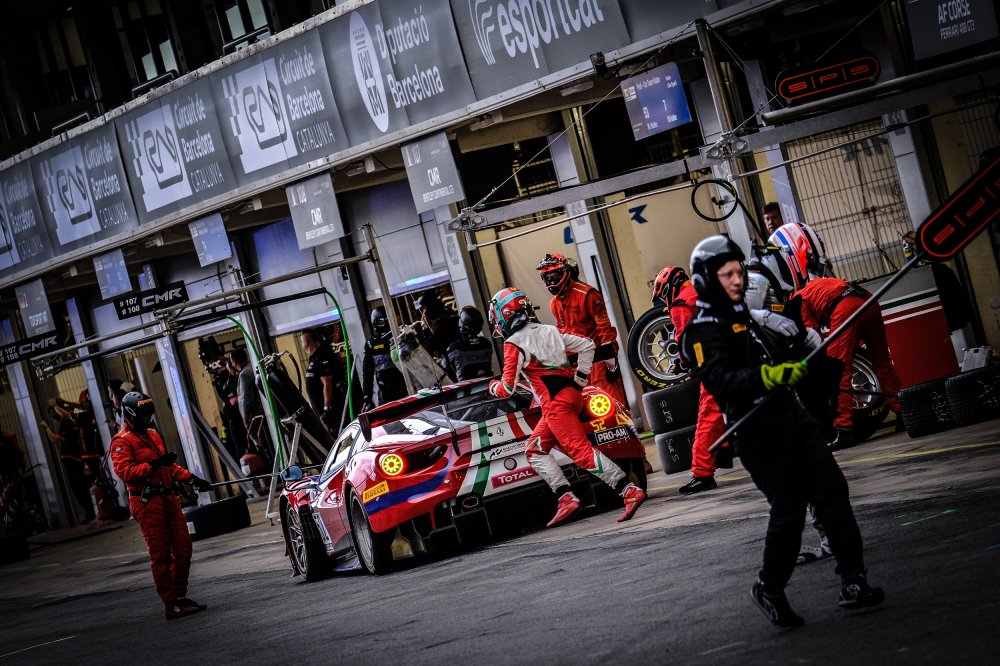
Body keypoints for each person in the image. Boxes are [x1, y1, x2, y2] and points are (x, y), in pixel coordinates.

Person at [681, 235, 884, 629]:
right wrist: (769, 376)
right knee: (789, 510)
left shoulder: (749, 318)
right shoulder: (700, 332)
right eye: (727, 274)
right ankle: (770, 588)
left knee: (832, 491)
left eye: (739, 272)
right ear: (706, 279)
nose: (737, 280)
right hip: (755, 430)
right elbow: (721, 381)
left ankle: (854, 581)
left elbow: (785, 355)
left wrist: (806, 353)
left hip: (792, 418)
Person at [486, 287, 646, 526]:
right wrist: (581, 378)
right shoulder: (550, 330)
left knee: (580, 452)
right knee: (534, 449)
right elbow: (587, 345)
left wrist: (492, 386)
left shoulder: (513, 343)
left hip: (555, 405)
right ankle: (565, 497)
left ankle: (628, 490)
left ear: (505, 316)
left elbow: (507, 388)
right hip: (573, 394)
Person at [110, 392, 210, 620]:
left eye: (149, 417)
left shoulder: (153, 435)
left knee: (183, 548)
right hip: (146, 502)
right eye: (143, 417)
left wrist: (192, 479)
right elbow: (125, 473)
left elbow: (168, 466)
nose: (147, 421)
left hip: (168, 499)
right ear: (130, 415)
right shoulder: (121, 441)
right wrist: (153, 466)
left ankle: (180, 596)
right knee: (160, 554)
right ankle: (170, 603)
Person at [794, 275, 902, 450]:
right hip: (867, 299)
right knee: (882, 361)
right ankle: (903, 412)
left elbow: (814, 339)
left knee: (837, 372)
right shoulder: (815, 285)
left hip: (845, 308)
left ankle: (844, 430)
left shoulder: (797, 301)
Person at [652, 265, 729, 495]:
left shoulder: (681, 303)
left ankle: (702, 475)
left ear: (669, 288)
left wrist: (683, 363)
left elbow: (686, 342)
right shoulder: (705, 290)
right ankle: (724, 452)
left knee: (708, 418)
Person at [536, 253, 626, 404]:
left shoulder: (588, 294)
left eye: (554, 276)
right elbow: (563, 332)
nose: (551, 281)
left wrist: (611, 363)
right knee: (586, 405)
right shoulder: (554, 303)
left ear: (565, 272)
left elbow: (605, 329)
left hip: (598, 359)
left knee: (612, 401)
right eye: (546, 277)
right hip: (576, 364)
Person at [39, 400, 95, 523]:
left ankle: (91, 513)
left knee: (79, 489)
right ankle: (90, 512)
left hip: (73, 462)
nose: (53, 415)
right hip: (74, 462)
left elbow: (54, 439)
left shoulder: (67, 422)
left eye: (53, 412)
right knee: (79, 489)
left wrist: (46, 427)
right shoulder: (69, 422)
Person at [300, 328, 347, 434]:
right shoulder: (314, 358)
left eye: (302, 341)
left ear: (306, 341)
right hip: (321, 411)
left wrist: (326, 409)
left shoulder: (322, 357)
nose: (302, 344)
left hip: (331, 412)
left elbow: (327, 384)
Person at [229, 348, 271, 461]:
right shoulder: (252, 368)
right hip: (265, 415)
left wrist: (246, 421)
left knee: (265, 449)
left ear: (234, 362)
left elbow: (245, 400)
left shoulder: (244, 375)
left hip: (258, 419)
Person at [362, 307, 407, 409]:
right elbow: (367, 373)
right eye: (383, 321)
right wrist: (367, 397)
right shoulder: (371, 344)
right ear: (376, 323)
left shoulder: (400, 336)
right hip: (386, 393)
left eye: (389, 320)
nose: (386, 323)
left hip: (404, 387)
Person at [444, 306, 494, 382]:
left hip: (467, 388)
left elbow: (445, 366)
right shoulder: (486, 343)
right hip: (488, 384)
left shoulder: (454, 348)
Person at [414, 290, 460, 362]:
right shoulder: (447, 318)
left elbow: (430, 347)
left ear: (430, 307)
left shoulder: (442, 323)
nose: (423, 313)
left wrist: (425, 328)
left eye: (424, 308)